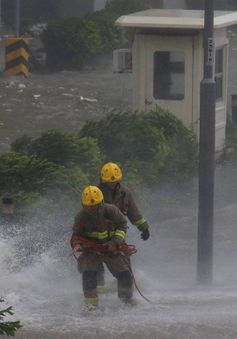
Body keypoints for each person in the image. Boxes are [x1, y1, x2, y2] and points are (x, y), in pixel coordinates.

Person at [70, 185, 134, 311]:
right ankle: (92, 307)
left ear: (102, 202)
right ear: (84, 205)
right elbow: (76, 235)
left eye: (96, 205)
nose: (93, 209)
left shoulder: (111, 211)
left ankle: (126, 302)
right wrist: (77, 244)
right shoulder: (80, 217)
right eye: (89, 206)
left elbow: (122, 226)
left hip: (111, 248)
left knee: (125, 275)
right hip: (91, 250)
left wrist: (115, 242)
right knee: (88, 274)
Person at [96, 162, 150, 291]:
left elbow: (134, 213)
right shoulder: (96, 193)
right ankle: (96, 293)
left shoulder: (125, 194)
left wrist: (144, 228)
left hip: (116, 235)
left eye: (114, 181)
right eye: (109, 182)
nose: (111, 184)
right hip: (96, 236)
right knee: (95, 264)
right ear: (103, 180)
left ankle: (127, 298)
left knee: (125, 267)